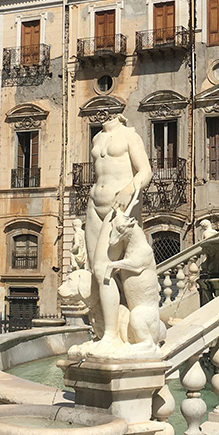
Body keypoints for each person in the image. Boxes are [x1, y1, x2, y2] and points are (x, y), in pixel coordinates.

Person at [85, 114, 152, 351]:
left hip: (118, 205)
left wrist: (129, 188)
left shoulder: (129, 135)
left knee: (103, 268)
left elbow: (146, 171)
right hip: (94, 204)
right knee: (96, 272)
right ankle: (103, 330)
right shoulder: (97, 138)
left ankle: (111, 336)